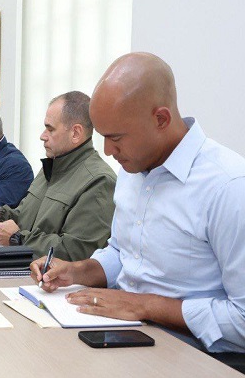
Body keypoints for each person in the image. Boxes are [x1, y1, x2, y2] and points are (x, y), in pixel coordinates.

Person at [32, 53, 245, 356]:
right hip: (126, 331)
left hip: (193, 354)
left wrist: (146, 305)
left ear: (161, 120)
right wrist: (78, 272)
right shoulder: (133, 169)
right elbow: (124, 253)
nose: (108, 151)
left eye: (116, 137)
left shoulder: (228, 187)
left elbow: (242, 319)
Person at [0, 91, 116, 260]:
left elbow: (77, 251)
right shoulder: (52, 166)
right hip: (25, 266)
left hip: (47, 274)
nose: (42, 136)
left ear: (75, 133)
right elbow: (24, 217)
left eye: (50, 129)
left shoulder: (98, 181)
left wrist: (18, 239)